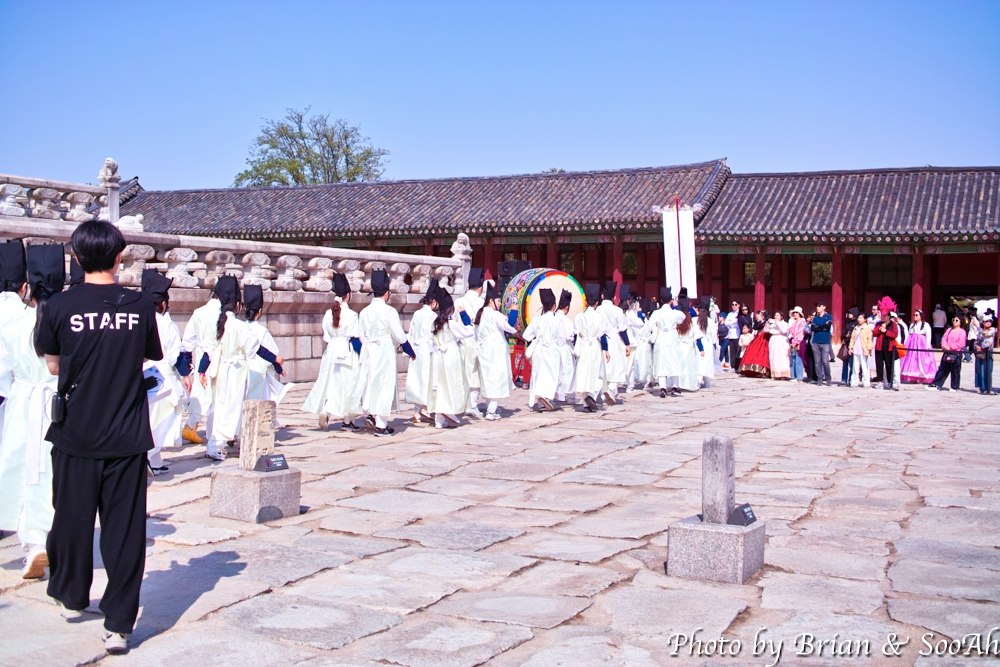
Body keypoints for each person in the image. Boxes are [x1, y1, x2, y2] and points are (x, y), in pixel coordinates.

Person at [35, 221, 162, 653]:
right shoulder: (140, 305)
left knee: (71, 518)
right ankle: (119, 624)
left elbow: (53, 365)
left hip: (76, 429)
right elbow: (145, 356)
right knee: (124, 530)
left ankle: (71, 595)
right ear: (119, 257)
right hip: (126, 431)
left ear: (76, 257)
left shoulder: (59, 305)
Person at [0, 243, 60, 580]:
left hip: (22, 402)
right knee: (51, 472)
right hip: (57, 403)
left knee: (24, 470)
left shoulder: (13, 325)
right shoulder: (67, 323)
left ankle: (32, 540)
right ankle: (42, 537)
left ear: (27, 288)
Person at [205, 277, 284, 459]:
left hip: (220, 370)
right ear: (237, 305)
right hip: (235, 373)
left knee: (221, 407)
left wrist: (202, 370)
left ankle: (220, 443)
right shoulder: (238, 326)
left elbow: (208, 351)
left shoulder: (218, 323)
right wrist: (275, 359)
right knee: (231, 408)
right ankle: (216, 446)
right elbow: (257, 348)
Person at [303, 273, 364, 430]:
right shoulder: (352, 315)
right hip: (348, 351)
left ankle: (326, 411)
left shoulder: (328, 313)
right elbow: (356, 337)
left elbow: (327, 336)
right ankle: (347, 421)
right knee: (349, 385)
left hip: (332, 350)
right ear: (348, 295)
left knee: (331, 384)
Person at [359, 270, 416, 436]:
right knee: (384, 384)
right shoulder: (389, 311)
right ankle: (381, 425)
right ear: (386, 293)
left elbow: (361, 335)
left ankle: (372, 415)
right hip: (383, 351)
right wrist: (410, 351)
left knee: (370, 383)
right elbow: (399, 335)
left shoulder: (364, 312)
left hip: (368, 349)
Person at [140, 269, 186, 475]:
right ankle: (147, 455)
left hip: (142, 373)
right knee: (162, 419)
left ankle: (155, 460)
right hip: (162, 376)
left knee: (149, 416)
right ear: (163, 303)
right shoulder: (166, 323)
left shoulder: (140, 318)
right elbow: (176, 354)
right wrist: (185, 375)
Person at [179, 282, 222, 446]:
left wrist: (187, 362)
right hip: (216, 357)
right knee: (215, 397)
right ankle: (208, 432)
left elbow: (188, 340)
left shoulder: (198, 312)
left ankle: (192, 426)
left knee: (202, 395)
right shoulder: (223, 314)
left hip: (201, 358)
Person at [427, 286, 474, 428]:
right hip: (450, 355)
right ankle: (449, 409)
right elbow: (470, 331)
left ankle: (439, 420)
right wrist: (464, 315)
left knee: (439, 385)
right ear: (451, 310)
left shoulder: (434, 323)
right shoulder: (452, 324)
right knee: (452, 383)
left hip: (437, 356)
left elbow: (430, 341)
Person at [244, 285, 291, 412]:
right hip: (259, 373)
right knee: (261, 402)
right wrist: (279, 369)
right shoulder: (262, 331)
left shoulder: (240, 327)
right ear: (259, 311)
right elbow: (272, 354)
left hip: (243, 371)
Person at [475, 282, 518, 420]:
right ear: (491, 301)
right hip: (495, 351)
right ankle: (491, 411)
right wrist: (514, 310)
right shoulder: (494, 315)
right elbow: (509, 325)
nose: (499, 304)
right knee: (496, 379)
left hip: (484, 351)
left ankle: (491, 408)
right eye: (498, 301)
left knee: (488, 379)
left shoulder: (481, 314)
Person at [402, 278, 438, 425]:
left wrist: (410, 350)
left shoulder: (417, 313)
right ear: (434, 302)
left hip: (416, 348)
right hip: (427, 349)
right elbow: (432, 335)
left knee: (417, 379)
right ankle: (426, 408)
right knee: (428, 379)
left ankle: (417, 410)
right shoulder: (432, 316)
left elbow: (410, 332)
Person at [522, 287, 562, 411]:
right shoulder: (557, 320)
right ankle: (546, 397)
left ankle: (540, 401)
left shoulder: (536, 319)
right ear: (554, 305)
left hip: (539, 349)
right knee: (551, 373)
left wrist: (537, 339)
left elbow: (526, 335)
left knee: (538, 373)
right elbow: (561, 338)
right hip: (552, 348)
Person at [454, 268, 486, 417]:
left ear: (468, 286)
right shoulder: (482, 303)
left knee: (462, 372)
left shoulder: (457, 301)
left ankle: (462, 403)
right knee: (474, 372)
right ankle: (472, 404)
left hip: (460, 341)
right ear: (480, 288)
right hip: (475, 340)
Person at [574, 284, 610, 411]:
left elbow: (576, 334)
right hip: (595, 346)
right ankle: (592, 396)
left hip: (583, 345)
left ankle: (586, 404)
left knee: (584, 373)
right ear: (597, 303)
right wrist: (606, 350)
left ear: (586, 302)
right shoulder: (599, 317)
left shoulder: (579, 316)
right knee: (598, 373)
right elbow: (602, 335)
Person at [596, 281, 630, 404]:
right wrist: (627, 344)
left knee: (603, 367)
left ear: (602, 296)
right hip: (614, 339)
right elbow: (623, 329)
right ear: (614, 297)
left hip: (600, 339)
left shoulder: (597, 310)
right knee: (616, 366)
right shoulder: (617, 311)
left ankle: (599, 393)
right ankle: (611, 389)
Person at [928, 316, 967, 391]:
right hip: (947, 352)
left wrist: (951, 347)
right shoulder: (949, 329)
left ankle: (954, 386)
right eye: (953, 319)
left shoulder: (962, 332)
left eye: (956, 320)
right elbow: (944, 338)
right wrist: (944, 346)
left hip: (956, 353)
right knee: (942, 368)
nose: (954, 321)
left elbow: (961, 343)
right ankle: (936, 384)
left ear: (960, 322)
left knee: (955, 370)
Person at [900, 309, 937, 383]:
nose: (915, 316)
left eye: (916, 315)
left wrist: (927, 346)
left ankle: (924, 376)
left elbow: (928, 336)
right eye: (914, 315)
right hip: (912, 344)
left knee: (922, 360)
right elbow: (908, 334)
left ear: (921, 316)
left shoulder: (925, 325)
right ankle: (913, 377)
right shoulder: (912, 325)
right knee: (912, 361)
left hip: (921, 344)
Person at [553, 289, 577, 402]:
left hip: (553, 348)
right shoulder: (567, 321)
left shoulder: (552, 317)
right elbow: (570, 336)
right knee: (569, 372)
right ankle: (570, 396)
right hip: (565, 348)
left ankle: (554, 395)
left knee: (555, 372)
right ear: (567, 308)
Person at [677, 296, 703, 391]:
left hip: (679, 346)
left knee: (679, 365)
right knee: (689, 366)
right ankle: (689, 385)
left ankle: (677, 384)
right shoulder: (692, 323)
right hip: (689, 347)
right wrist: (701, 349)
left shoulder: (676, 323)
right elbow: (698, 337)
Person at [627, 297, 653, 391]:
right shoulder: (636, 316)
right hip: (640, 342)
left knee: (643, 362)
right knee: (641, 362)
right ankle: (643, 380)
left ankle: (644, 380)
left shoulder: (641, 318)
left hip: (642, 342)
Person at [738, 311, 772, 378]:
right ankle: (754, 370)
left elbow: (766, 329)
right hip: (758, 337)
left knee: (763, 354)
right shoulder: (760, 321)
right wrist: (757, 321)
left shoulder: (767, 321)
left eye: (762, 314)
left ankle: (764, 372)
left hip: (764, 338)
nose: (761, 316)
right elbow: (755, 327)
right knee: (753, 352)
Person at [873, 310, 899, 391]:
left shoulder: (893, 324)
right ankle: (880, 381)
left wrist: (886, 331)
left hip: (889, 347)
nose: (882, 317)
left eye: (884, 316)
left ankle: (889, 382)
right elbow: (874, 333)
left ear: (888, 316)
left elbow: (895, 334)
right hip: (879, 347)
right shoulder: (879, 324)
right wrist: (880, 328)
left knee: (889, 365)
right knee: (879, 365)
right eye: (881, 315)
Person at [810, 302, 833, 385]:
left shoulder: (828, 316)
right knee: (817, 362)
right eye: (817, 306)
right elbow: (813, 328)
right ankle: (819, 379)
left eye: (819, 306)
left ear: (824, 307)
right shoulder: (815, 318)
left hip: (825, 342)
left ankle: (828, 378)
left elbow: (828, 327)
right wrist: (822, 327)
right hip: (815, 342)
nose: (817, 307)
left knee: (825, 361)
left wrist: (818, 327)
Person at [848, 313, 874, 388]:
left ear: (865, 319)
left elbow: (869, 339)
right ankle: (854, 382)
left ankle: (866, 383)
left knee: (865, 367)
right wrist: (851, 347)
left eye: (861, 318)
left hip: (863, 349)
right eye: (858, 318)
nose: (859, 319)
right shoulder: (856, 327)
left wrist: (869, 349)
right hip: (856, 349)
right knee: (855, 367)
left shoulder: (867, 328)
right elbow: (852, 338)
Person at [695, 297, 716, 388]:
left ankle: (698, 381)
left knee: (699, 362)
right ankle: (706, 382)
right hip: (707, 342)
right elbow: (714, 337)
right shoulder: (711, 322)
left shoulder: (695, 320)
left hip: (698, 342)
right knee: (706, 362)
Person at [766, 311, 791, 380]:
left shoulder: (785, 324)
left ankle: (783, 374)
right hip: (774, 339)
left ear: (781, 317)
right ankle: (774, 374)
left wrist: (777, 323)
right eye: (775, 315)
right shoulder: (772, 324)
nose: (776, 317)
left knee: (782, 356)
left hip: (782, 339)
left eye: (777, 315)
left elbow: (783, 331)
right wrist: (768, 323)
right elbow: (767, 330)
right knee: (774, 356)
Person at [974, 316, 995, 394]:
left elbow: (986, 334)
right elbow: (976, 341)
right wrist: (976, 346)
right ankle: (982, 387)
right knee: (980, 370)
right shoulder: (980, 331)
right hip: (981, 352)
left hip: (988, 351)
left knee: (988, 370)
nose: (989, 323)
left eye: (990, 321)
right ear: (983, 322)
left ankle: (988, 387)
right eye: (987, 321)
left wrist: (978, 327)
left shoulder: (992, 329)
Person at [839, 307, 859, 386]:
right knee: (845, 364)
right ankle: (843, 380)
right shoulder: (848, 323)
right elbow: (843, 334)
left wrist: (848, 337)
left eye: (850, 313)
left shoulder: (857, 324)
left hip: (854, 346)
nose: (849, 315)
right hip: (846, 345)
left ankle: (851, 379)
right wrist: (845, 336)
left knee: (852, 364)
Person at [788, 307, 807, 382]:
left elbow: (800, 333)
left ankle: (799, 377)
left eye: (796, 313)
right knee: (792, 359)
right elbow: (790, 331)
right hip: (792, 341)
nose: (795, 314)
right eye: (794, 313)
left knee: (798, 359)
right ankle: (793, 376)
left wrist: (795, 342)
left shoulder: (802, 321)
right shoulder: (793, 321)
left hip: (799, 342)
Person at [723, 300, 740, 370]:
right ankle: (732, 366)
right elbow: (726, 323)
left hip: (737, 334)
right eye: (733, 305)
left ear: (738, 305)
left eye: (736, 305)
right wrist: (732, 322)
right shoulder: (730, 314)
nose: (734, 306)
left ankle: (737, 366)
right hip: (731, 334)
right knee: (732, 351)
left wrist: (731, 322)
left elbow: (738, 324)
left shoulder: (739, 313)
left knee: (737, 351)